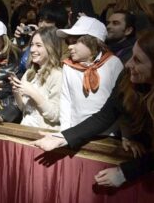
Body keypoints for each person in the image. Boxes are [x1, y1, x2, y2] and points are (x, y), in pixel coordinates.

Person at [31, 30, 154, 187]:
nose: (128, 63)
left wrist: (124, 172)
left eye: (137, 60)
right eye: (131, 55)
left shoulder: (113, 64)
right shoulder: (128, 77)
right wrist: (62, 138)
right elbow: (105, 115)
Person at [57, 16, 124, 132]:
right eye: (68, 42)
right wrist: (65, 130)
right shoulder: (68, 66)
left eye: (75, 42)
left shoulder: (113, 63)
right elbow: (66, 99)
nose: (69, 47)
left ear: (93, 42)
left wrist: (126, 135)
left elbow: (122, 102)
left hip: (108, 132)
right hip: (76, 131)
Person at [10, 26, 62, 130]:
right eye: (32, 45)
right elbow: (23, 108)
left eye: (38, 45)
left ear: (51, 47)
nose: (33, 49)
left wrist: (33, 93)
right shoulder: (29, 73)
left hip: (44, 136)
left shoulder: (58, 75)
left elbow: (55, 116)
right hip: (26, 130)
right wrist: (16, 91)